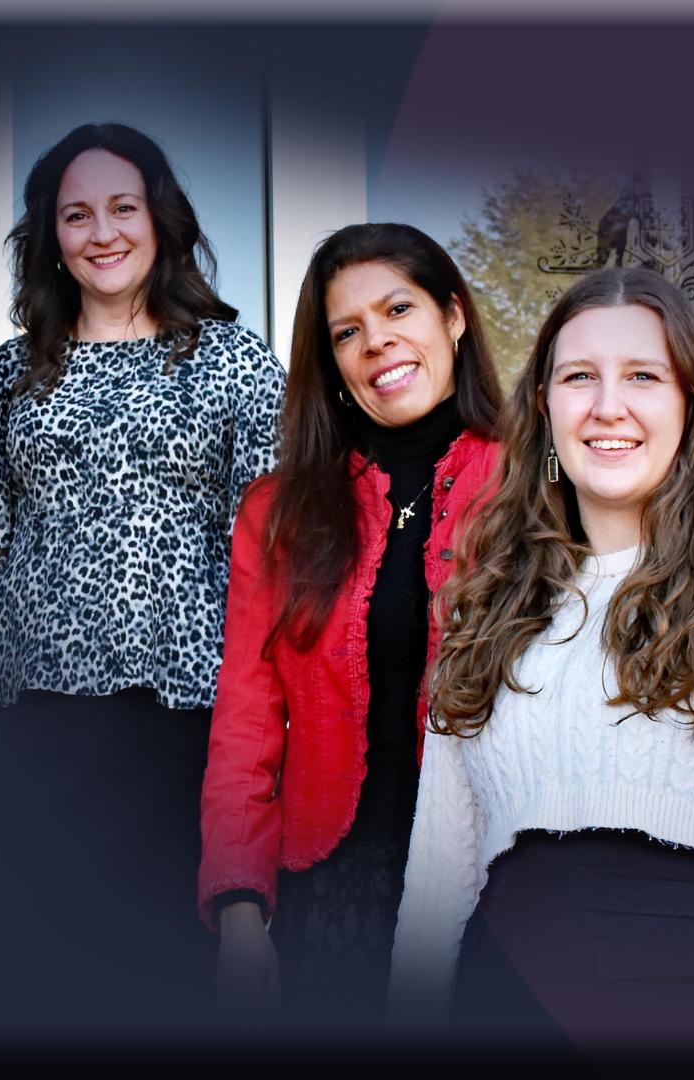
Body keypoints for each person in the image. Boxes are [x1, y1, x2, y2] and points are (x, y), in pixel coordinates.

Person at [387, 267, 694, 1045]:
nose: (607, 406)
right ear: (544, 406)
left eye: (643, 376)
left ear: (689, 405)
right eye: (579, 376)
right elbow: (440, 870)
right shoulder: (489, 602)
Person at [0, 122, 284, 1024]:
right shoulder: (11, 372)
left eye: (122, 207)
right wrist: (63, 623)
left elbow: (274, 540)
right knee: (28, 974)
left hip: (183, 720)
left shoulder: (234, 360)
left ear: (159, 218)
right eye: (76, 214)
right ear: (51, 235)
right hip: (29, 721)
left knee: (167, 977)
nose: (102, 232)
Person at [198, 223, 506, 1026]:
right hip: (334, 893)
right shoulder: (279, 512)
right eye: (347, 332)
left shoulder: (533, 482)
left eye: (398, 308)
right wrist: (238, 908)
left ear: (454, 316)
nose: (378, 342)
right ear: (331, 362)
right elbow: (244, 721)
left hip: (497, 890)